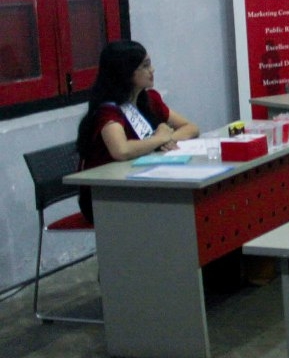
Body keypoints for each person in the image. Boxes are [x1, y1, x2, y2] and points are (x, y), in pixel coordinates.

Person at [74, 40, 199, 222]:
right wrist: (158, 140)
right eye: (145, 66)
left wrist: (167, 138)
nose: (152, 70)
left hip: (141, 184)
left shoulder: (149, 99)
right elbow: (121, 150)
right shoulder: (108, 111)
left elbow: (191, 128)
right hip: (106, 196)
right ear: (126, 72)